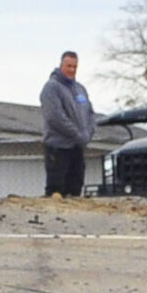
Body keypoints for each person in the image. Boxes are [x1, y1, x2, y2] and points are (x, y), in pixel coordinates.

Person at [39, 50, 95, 198]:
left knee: (75, 190)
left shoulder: (80, 90)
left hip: (77, 147)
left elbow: (90, 113)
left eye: (75, 67)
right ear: (61, 65)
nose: (72, 70)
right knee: (56, 191)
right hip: (58, 148)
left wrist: (88, 133)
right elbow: (55, 117)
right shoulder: (51, 88)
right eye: (69, 66)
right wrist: (77, 134)